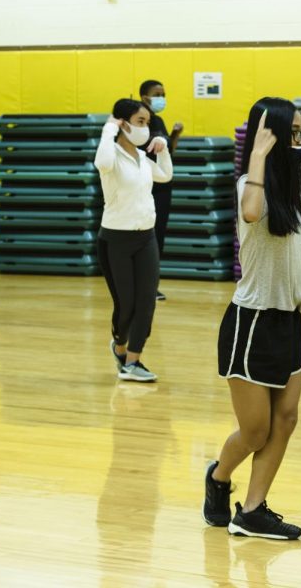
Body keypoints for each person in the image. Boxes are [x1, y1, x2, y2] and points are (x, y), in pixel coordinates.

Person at [203, 97, 301, 540]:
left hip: (290, 321)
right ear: (271, 134)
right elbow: (251, 212)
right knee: (255, 430)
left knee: (287, 419)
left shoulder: (287, 194)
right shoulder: (249, 184)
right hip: (252, 322)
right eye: (293, 132)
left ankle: (253, 510)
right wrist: (257, 154)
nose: (300, 139)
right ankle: (219, 478)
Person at [94, 98, 172, 382]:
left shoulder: (142, 158)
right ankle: (120, 346)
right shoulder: (111, 154)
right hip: (115, 239)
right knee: (125, 304)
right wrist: (107, 130)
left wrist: (162, 150)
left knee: (146, 301)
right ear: (122, 123)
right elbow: (101, 162)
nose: (145, 128)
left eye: (147, 123)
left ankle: (133, 361)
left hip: (146, 237)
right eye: (140, 122)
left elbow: (165, 175)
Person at [138, 79, 183, 301]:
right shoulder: (136, 126)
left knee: (158, 235)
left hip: (163, 186)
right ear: (144, 97)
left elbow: (168, 151)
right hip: (144, 186)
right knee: (142, 235)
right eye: (157, 94)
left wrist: (175, 135)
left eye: (164, 94)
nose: (161, 98)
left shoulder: (159, 121)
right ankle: (139, 285)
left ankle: (152, 285)